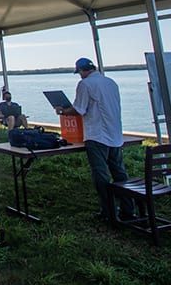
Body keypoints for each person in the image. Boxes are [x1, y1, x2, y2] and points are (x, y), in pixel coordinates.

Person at [54, 57, 135, 222]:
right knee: (120, 173)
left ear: (83, 71)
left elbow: (79, 109)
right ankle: (128, 209)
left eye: (79, 73)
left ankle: (108, 211)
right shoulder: (111, 82)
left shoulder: (85, 84)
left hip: (97, 135)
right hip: (115, 134)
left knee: (101, 175)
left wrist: (62, 111)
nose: (80, 76)